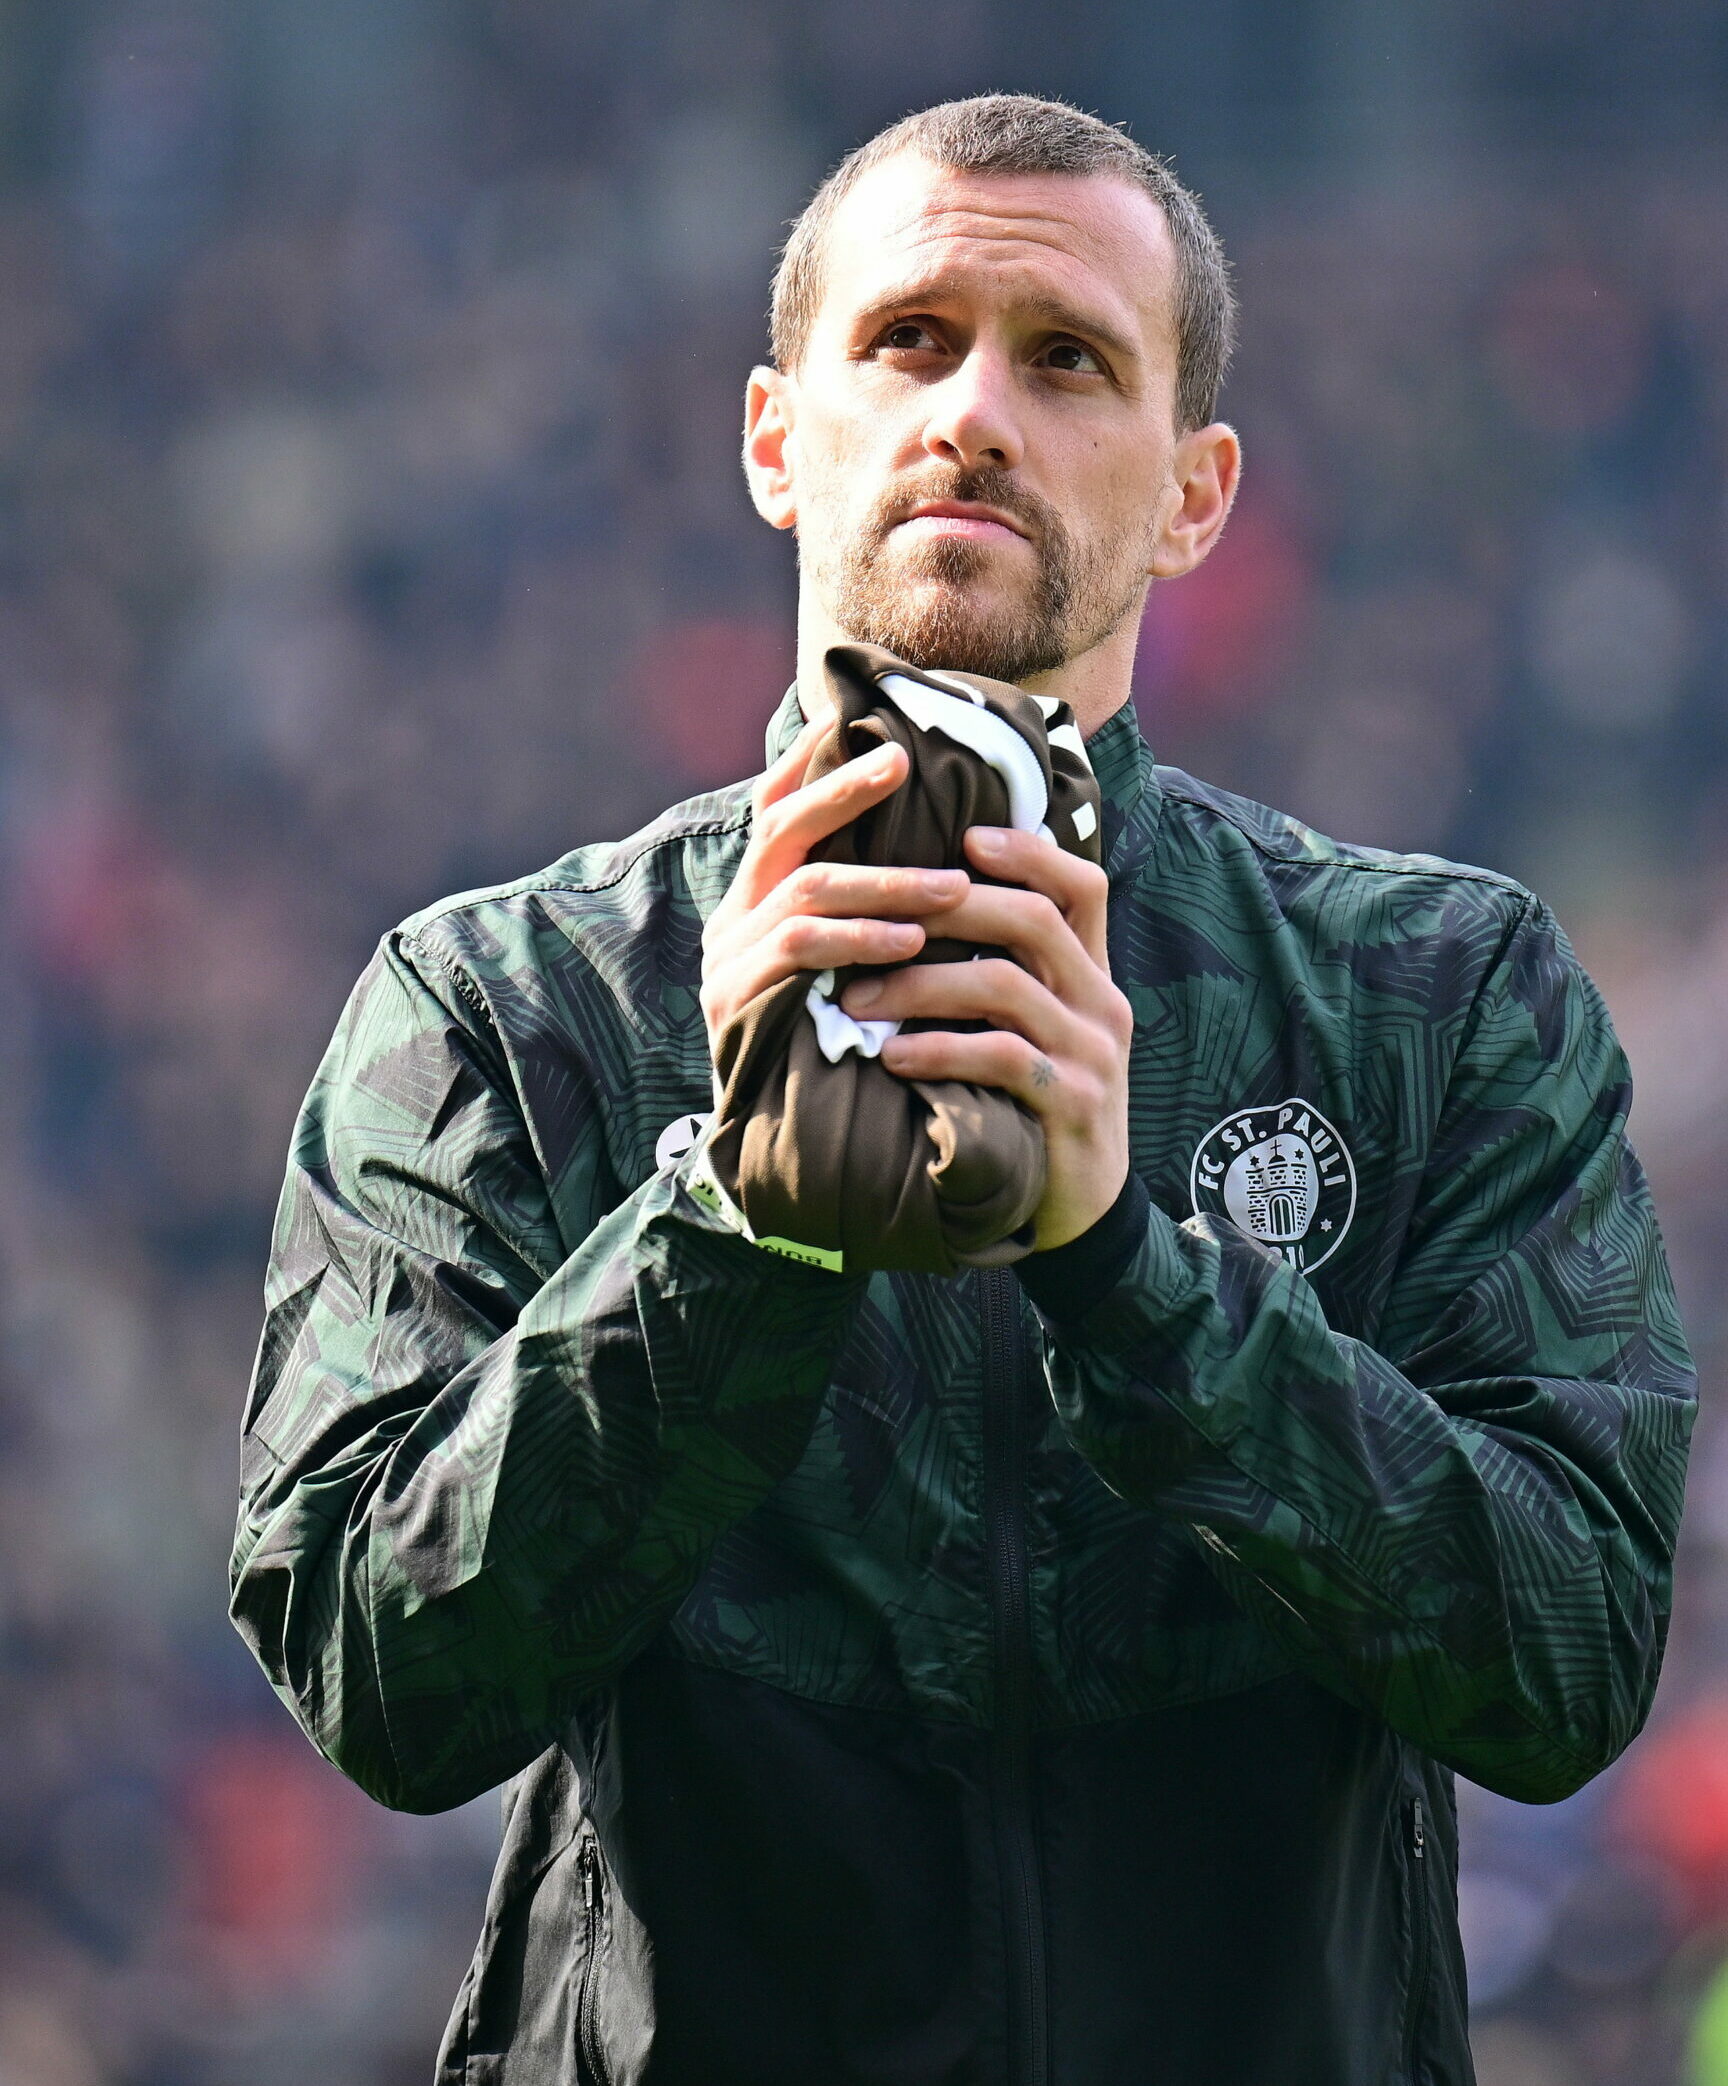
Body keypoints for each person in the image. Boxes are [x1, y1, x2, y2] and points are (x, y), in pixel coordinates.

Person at [229, 94, 1695, 2086]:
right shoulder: (505, 999)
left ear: (1195, 491)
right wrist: (729, 1228)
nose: (977, 409)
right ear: (776, 436)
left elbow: (1569, 1659)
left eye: (1069, 355)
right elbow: (377, 1680)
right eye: (908, 338)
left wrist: (1129, 1269)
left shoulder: (1436, 990)